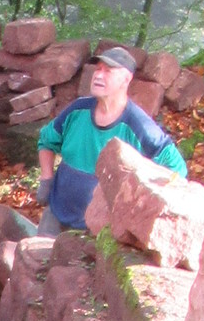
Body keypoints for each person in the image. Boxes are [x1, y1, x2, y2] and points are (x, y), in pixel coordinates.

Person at [36, 46, 187, 231]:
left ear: (126, 79)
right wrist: (46, 178)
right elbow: (46, 140)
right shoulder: (77, 110)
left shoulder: (139, 126)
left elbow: (176, 169)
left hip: (99, 229)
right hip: (56, 213)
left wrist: (142, 205)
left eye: (108, 71)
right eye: (98, 69)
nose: (98, 75)